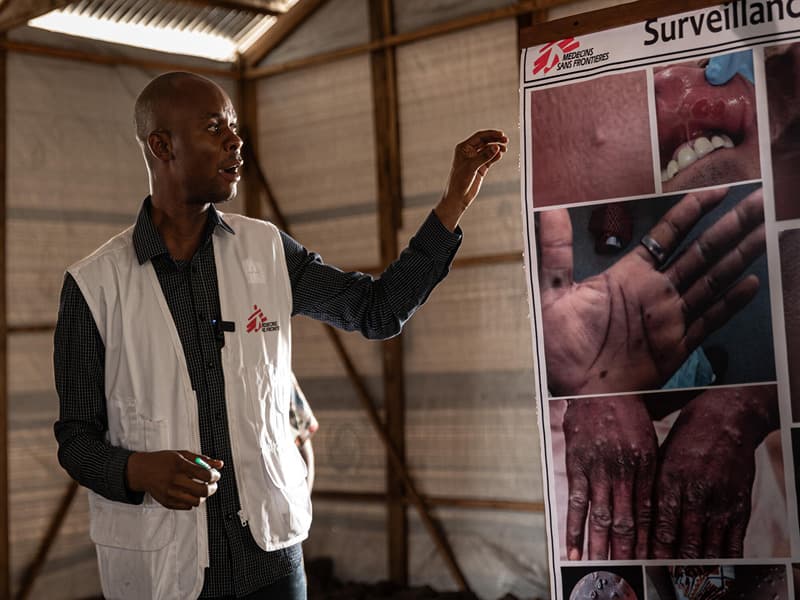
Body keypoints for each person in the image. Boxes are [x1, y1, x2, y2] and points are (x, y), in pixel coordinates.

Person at [53, 71, 507, 600]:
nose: (235, 140)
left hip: (272, 564)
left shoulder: (265, 250)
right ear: (162, 145)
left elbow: (377, 310)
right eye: (213, 127)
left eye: (235, 127)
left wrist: (451, 204)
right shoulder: (94, 285)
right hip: (162, 573)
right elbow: (76, 440)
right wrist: (136, 469)